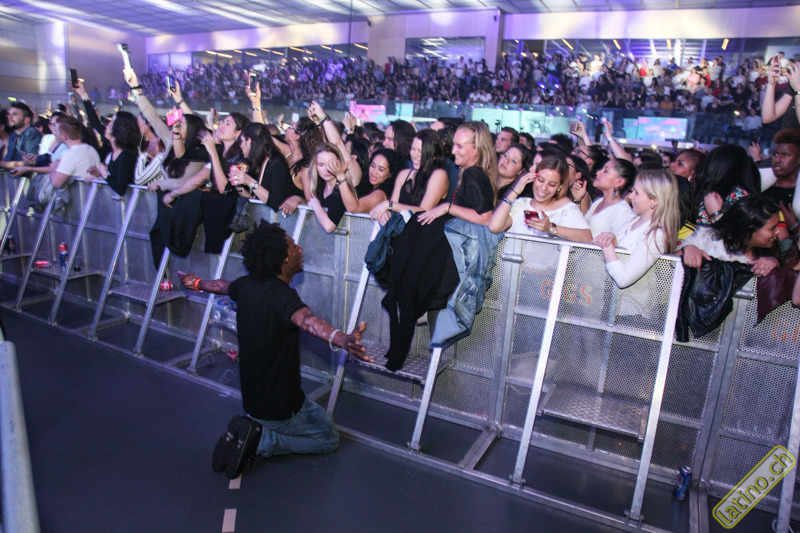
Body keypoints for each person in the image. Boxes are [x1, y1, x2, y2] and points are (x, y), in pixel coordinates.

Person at [177, 221, 370, 479]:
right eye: (294, 247)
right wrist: (341, 338)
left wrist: (196, 282)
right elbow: (307, 321)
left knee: (324, 421)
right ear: (284, 260)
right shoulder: (282, 297)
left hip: (260, 399)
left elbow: (220, 286)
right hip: (277, 406)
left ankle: (255, 430)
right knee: (329, 439)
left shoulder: (247, 285)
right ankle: (263, 441)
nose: (300, 249)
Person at [594, 169, 680, 317]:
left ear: (654, 200)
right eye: (632, 191)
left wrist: (607, 246)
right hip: (609, 305)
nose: (630, 196)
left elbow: (623, 279)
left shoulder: (657, 234)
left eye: (637, 193)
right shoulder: (632, 220)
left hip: (629, 315)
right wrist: (609, 238)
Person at [489, 154, 592, 243]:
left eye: (552, 184)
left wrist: (550, 228)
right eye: (541, 180)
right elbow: (494, 227)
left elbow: (587, 237)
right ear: (534, 178)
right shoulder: (521, 203)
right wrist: (515, 191)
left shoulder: (566, 208)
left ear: (559, 187)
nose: (543, 188)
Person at [369, 129, 449, 226]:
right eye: (413, 149)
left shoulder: (439, 175)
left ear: (434, 155)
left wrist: (388, 205)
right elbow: (393, 207)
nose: (414, 155)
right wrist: (386, 213)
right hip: (400, 231)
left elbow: (423, 211)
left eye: (421, 151)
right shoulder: (404, 174)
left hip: (423, 232)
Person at [228, 122, 291, 211]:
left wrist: (250, 181)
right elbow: (255, 199)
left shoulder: (277, 164)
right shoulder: (261, 163)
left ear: (249, 141)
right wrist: (238, 185)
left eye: (241, 141)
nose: (240, 145)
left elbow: (276, 202)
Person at [338, 148, 405, 214]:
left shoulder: (381, 194)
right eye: (373, 166)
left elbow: (353, 208)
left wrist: (341, 178)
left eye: (381, 169)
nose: (374, 172)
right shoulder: (366, 182)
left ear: (391, 174)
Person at [306, 143, 352, 233]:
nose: (326, 169)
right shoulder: (320, 185)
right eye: (321, 164)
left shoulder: (341, 190)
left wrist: (316, 204)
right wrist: (298, 199)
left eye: (331, 164)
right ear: (315, 165)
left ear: (339, 163)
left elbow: (329, 226)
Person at [583, 158, 635, 237]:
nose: (597, 173)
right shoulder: (598, 201)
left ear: (619, 182)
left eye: (605, 171)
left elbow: (618, 241)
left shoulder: (622, 211)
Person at [0, 102, 42, 171]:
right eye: (8, 114)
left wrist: (5, 164)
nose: (9, 117)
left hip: (25, 177)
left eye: (14, 114)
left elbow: (30, 162)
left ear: (26, 120)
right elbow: (8, 160)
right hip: (12, 175)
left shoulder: (31, 133)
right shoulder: (13, 135)